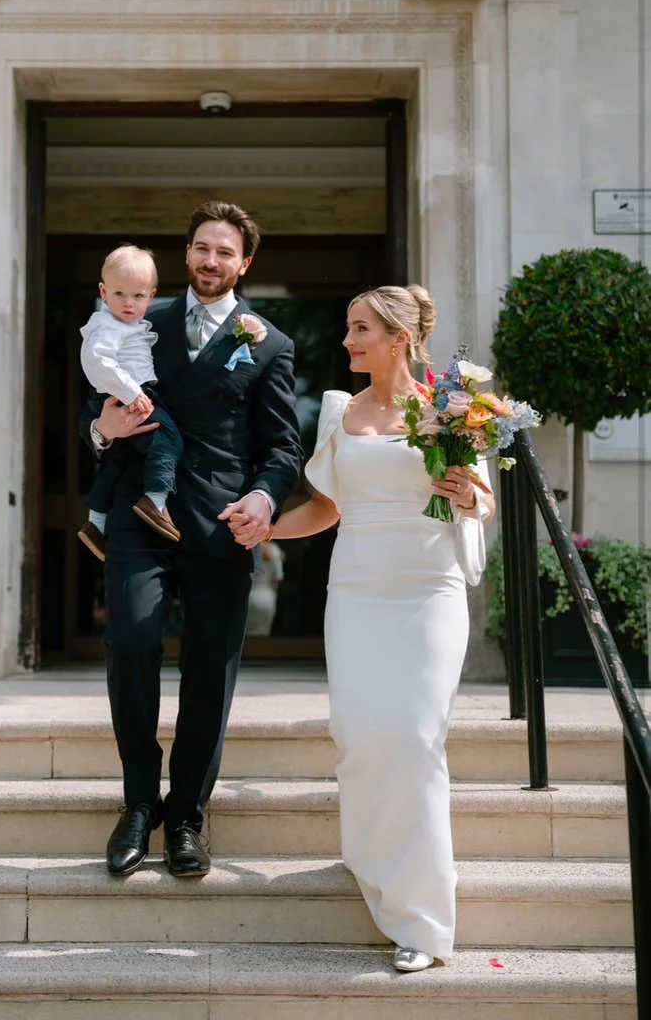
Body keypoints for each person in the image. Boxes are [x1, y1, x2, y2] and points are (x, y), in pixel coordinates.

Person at [261, 285, 495, 972]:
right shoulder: (338, 410)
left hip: (429, 591)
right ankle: (375, 860)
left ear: (399, 337)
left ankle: (423, 923)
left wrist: (468, 495)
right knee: (362, 736)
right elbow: (324, 509)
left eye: (360, 329)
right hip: (357, 592)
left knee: (416, 736)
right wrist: (263, 527)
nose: (346, 341)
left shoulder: (453, 410)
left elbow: (481, 503)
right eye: (346, 328)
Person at [79, 200, 303, 879]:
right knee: (134, 640)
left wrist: (265, 499)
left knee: (210, 667)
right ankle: (139, 805)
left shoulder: (269, 343)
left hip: (219, 524)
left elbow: (283, 447)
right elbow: (100, 405)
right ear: (187, 253)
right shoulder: (141, 318)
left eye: (225, 251)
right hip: (138, 513)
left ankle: (188, 816)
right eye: (202, 247)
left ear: (245, 263)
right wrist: (100, 433)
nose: (211, 260)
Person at [77, 244, 185, 560]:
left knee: (116, 460)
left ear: (151, 296)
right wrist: (131, 393)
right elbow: (97, 361)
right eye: (120, 294)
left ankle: (96, 522)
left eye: (137, 296)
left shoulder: (131, 325)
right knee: (168, 439)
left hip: (127, 394)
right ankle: (156, 499)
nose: (128, 303)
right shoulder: (106, 324)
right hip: (128, 396)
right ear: (103, 291)